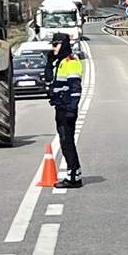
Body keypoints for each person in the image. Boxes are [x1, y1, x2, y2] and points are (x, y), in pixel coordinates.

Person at [46, 32, 84, 188]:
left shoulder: (71, 62)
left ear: (64, 45)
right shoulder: (59, 62)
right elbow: (50, 81)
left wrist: (71, 109)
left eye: (56, 44)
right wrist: (49, 63)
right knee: (65, 142)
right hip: (60, 107)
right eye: (52, 45)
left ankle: (74, 177)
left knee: (67, 142)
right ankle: (74, 174)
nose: (53, 48)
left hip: (67, 109)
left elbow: (75, 89)